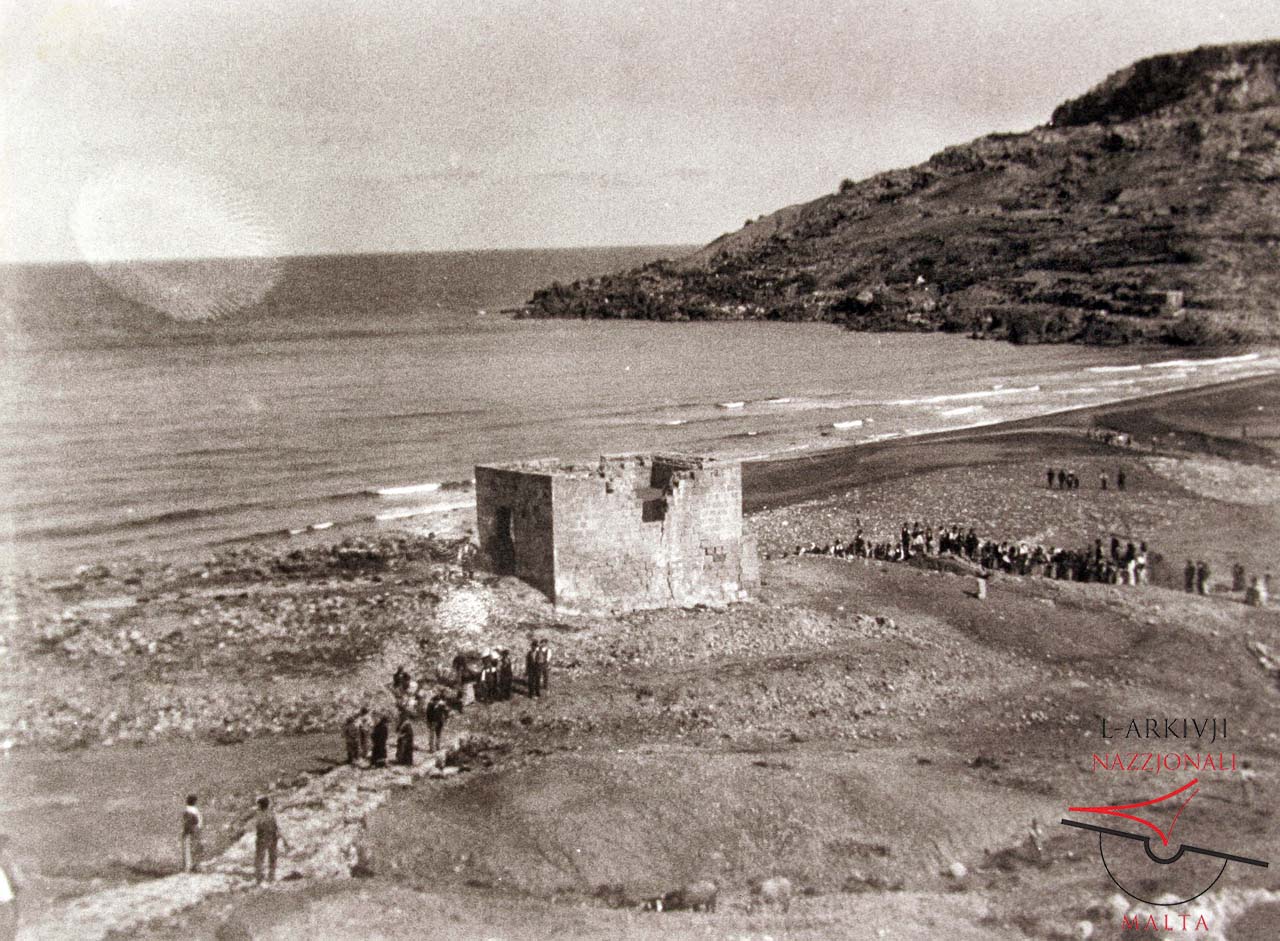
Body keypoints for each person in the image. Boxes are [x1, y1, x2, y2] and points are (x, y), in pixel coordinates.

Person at [253, 796, 289, 886]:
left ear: (260, 805)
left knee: (260, 859)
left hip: (263, 838)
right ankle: (270, 878)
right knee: (271, 859)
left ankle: (260, 879)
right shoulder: (271, 814)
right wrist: (284, 840)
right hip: (272, 838)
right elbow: (277, 827)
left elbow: (259, 826)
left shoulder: (259, 815)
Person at [0, 835, 20, 941]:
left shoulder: (7, 859)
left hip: (6, 903)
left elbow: (16, 883)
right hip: (5, 904)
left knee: (8, 930)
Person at [181, 794, 203, 873]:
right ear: (194, 802)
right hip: (195, 830)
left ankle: (189, 867)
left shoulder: (188, 810)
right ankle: (194, 866)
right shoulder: (194, 810)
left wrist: (186, 831)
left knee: (188, 849)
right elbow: (197, 821)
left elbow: (188, 822)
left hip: (190, 831)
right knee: (194, 848)